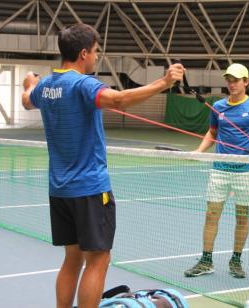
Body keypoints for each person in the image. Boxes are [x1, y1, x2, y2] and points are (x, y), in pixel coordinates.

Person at [21, 23, 184, 308]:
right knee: (99, 260)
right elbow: (119, 100)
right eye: (96, 52)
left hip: (59, 190)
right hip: (89, 189)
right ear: (83, 53)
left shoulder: (45, 86)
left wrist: (29, 84)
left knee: (72, 259)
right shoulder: (84, 84)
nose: (96, 57)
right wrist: (165, 82)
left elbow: (26, 100)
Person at [183, 63, 249, 279]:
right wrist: (199, 151)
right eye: (229, 80)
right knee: (211, 215)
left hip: (246, 171)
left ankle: (236, 260)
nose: (232, 84)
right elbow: (212, 133)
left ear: (246, 82)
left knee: (242, 217)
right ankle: (206, 261)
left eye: (236, 80)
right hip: (220, 169)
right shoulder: (218, 106)